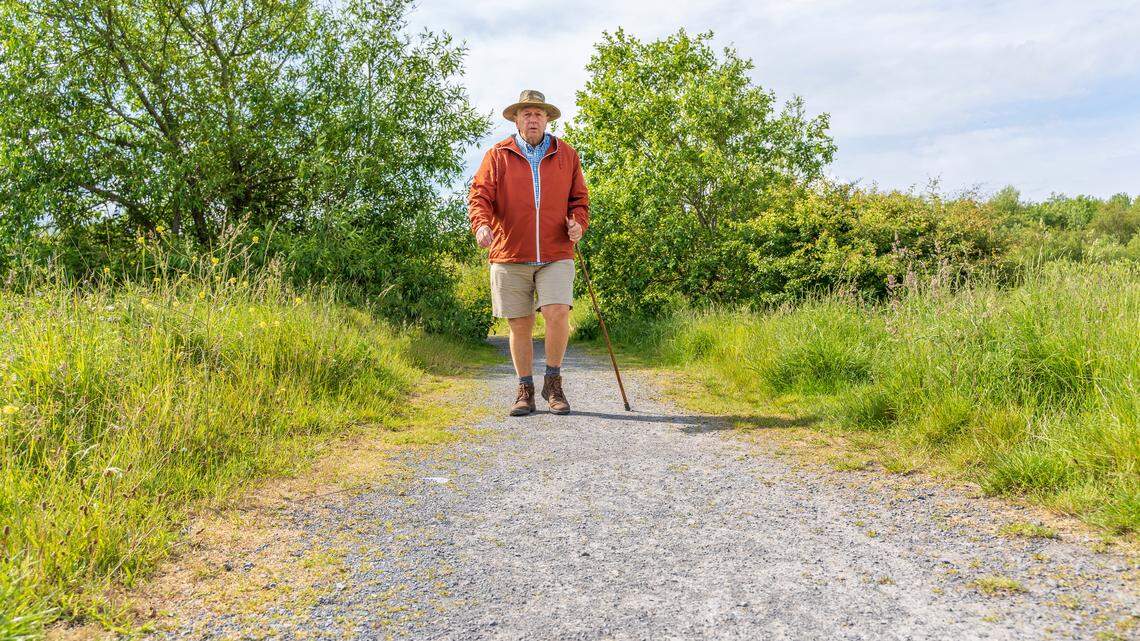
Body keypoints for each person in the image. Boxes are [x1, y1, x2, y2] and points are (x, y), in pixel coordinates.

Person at [468, 89, 590, 417]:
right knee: (519, 324)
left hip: (556, 250)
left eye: (538, 113)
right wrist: (481, 225)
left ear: (547, 119)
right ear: (516, 119)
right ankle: (525, 389)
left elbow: (579, 199)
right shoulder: (498, 155)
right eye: (526, 114)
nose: (533, 119)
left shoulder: (567, 154)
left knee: (557, 311)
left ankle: (553, 382)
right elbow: (479, 196)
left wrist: (578, 223)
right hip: (510, 251)